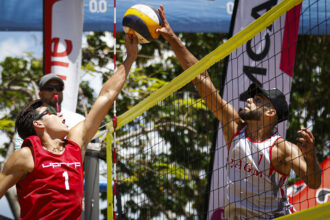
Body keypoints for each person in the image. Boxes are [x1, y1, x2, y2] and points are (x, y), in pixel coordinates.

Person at [156, 5, 322, 219]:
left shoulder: (282, 148)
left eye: (258, 99)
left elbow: (314, 182)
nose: (250, 99)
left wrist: (310, 154)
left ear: (271, 113)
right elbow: (201, 77)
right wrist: (172, 38)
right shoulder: (234, 127)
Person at [0, 34, 138, 219]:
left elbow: (106, 95)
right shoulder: (27, 155)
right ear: (39, 123)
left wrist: (130, 58)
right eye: (51, 113)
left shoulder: (74, 144)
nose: (59, 115)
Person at [14, 73, 85, 150]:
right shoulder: (29, 122)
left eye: (59, 88)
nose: (55, 91)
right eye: (49, 88)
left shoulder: (79, 119)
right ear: (40, 93)